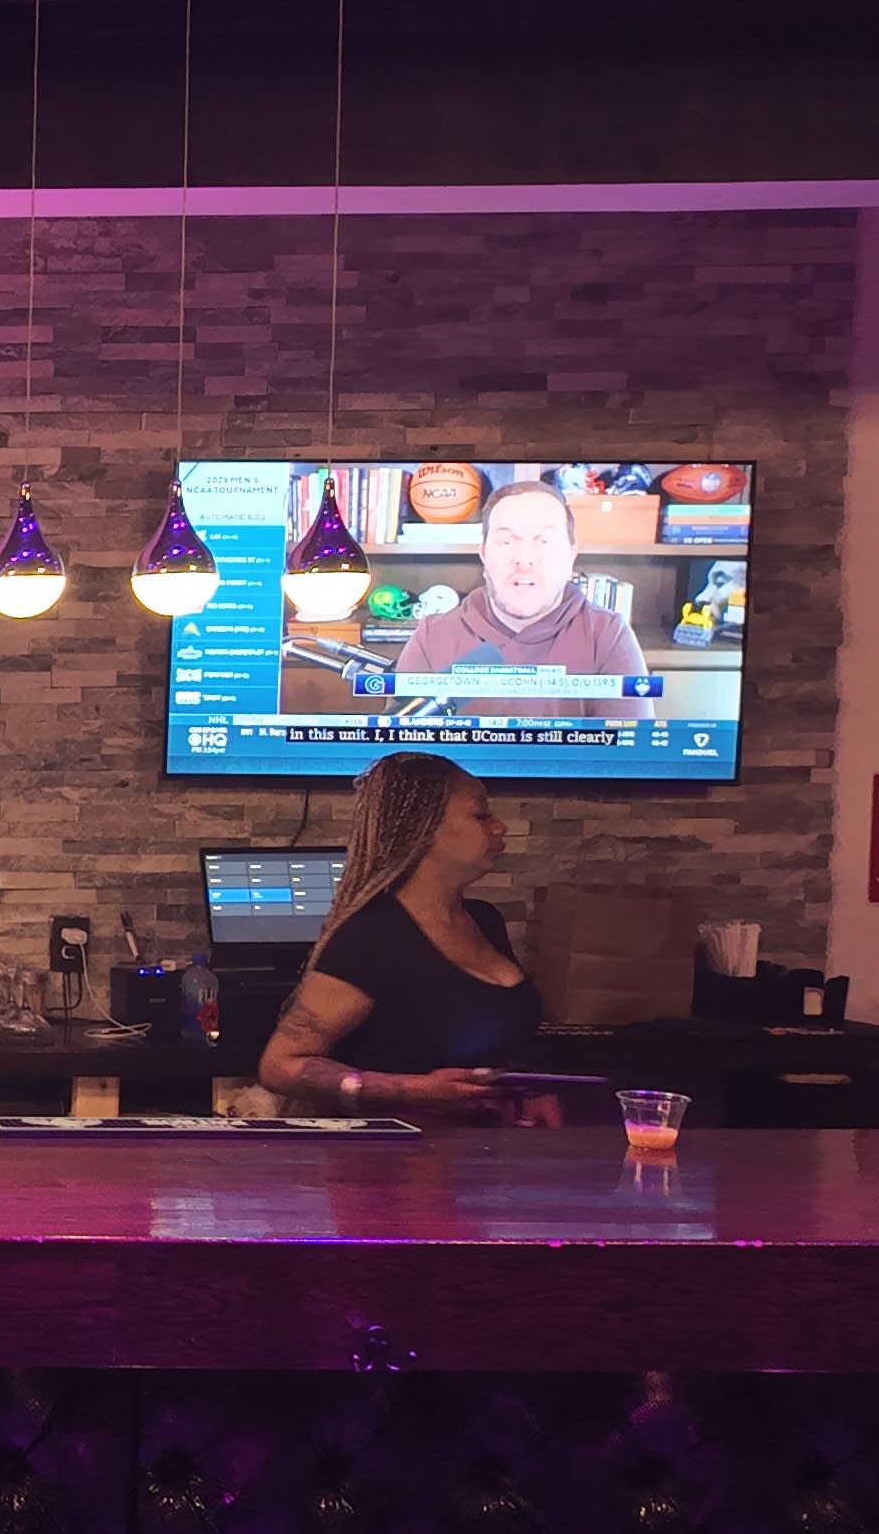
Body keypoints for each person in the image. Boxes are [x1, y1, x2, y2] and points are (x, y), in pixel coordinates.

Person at [255, 751, 558, 1123]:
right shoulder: (374, 935)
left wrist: (528, 1092)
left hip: (479, 1161)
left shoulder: (484, 920)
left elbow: (493, 1047)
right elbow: (280, 1065)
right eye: (481, 814)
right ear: (424, 828)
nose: (500, 827)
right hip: (391, 1164)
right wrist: (412, 1090)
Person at [390, 481, 653, 720]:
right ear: (483, 555)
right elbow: (398, 757)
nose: (524, 558)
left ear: (571, 555)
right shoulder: (432, 635)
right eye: (506, 541)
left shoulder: (607, 635)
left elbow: (631, 757)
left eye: (544, 540)